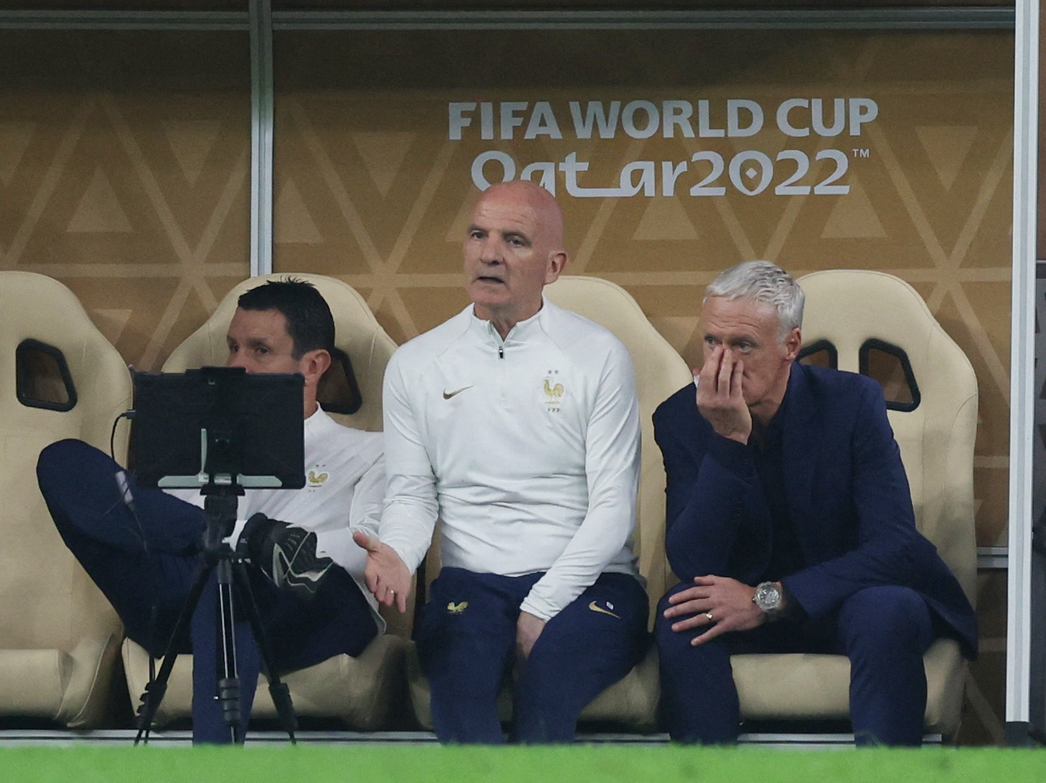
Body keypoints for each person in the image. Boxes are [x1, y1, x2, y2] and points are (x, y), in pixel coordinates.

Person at [352, 180, 647, 744]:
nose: (489, 253)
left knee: (547, 692)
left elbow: (613, 509)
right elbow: (413, 493)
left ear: (553, 266)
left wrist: (540, 607)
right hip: (474, 585)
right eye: (477, 235)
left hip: (591, 583)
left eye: (514, 240)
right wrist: (398, 550)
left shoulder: (599, 355)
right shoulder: (417, 364)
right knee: (461, 696)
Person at [37, 279, 384, 744]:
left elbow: (373, 553)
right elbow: (155, 527)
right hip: (185, 595)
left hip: (307, 608)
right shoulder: (192, 442)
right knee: (62, 461)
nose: (237, 365)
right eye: (233, 348)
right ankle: (245, 541)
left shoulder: (370, 452)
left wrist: (265, 557)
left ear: (314, 365)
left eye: (260, 350)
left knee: (233, 579)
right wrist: (243, 540)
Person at [652, 260, 977, 746]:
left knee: (887, 609)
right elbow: (693, 562)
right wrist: (727, 441)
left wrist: (771, 599)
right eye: (712, 343)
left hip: (846, 598)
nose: (723, 362)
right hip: (743, 608)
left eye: (742, 345)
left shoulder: (852, 404)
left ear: (790, 345)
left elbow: (895, 545)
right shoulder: (682, 416)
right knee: (681, 617)